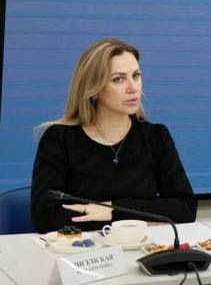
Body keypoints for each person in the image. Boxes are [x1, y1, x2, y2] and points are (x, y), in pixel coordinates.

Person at [31, 39, 197, 233]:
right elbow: (46, 218)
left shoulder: (156, 136)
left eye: (136, 75)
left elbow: (185, 208)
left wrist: (112, 210)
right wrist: (143, 217)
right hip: (83, 248)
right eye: (118, 79)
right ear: (93, 88)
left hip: (141, 246)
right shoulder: (59, 139)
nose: (133, 87)